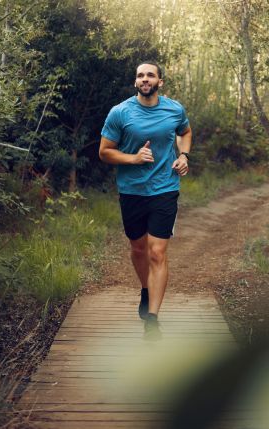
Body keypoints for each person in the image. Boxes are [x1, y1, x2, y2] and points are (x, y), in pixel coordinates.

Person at [99, 61, 192, 340]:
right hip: (131, 191)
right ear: (135, 82)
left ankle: (152, 319)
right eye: (140, 75)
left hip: (165, 189)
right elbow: (104, 152)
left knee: (157, 252)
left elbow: (184, 133)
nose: (145, 79)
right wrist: (133, 158)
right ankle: (145, 288)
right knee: (138, 249)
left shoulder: (174, 109)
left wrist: (184, 156)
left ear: (160, 82)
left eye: (150, 75)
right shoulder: (120, 113)